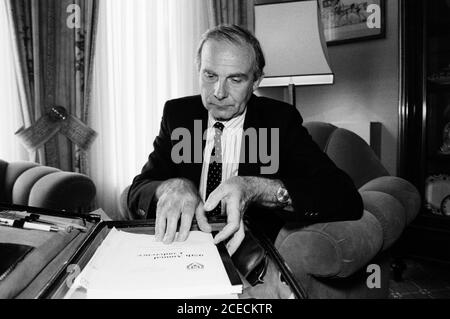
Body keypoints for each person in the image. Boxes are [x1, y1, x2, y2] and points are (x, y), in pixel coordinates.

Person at [128, 24, 363, 255]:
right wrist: (171, 187)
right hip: (183, 247)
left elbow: (344, 197)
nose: (219, 92)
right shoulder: (178, 114)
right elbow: (138, 190)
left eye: (235, 79)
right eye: (210, 75)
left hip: (250, 253)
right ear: (198, 70)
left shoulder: (279, 120)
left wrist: (257, 188)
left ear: (256, 81)